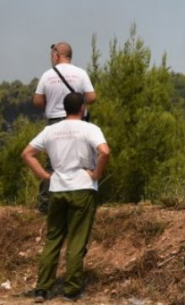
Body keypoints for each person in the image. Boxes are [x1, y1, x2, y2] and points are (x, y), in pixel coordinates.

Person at [22, 92, 110, 302]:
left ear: (64, 108)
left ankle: (42, 289)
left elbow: (27, 154)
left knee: (53, 239)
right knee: (76, 241)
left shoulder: (50, 130)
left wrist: (45, 176)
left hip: (57, 188)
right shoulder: (90, 129)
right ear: (82, 108)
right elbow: (104, 152)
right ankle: (71, 290)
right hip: (82, 187)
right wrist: (96, 174)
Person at [32, 42, 97, 213]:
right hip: (78, 120)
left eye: (52, 55)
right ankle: (83, 203)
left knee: (52, 164)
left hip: (55, 122)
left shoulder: (47, 75)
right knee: (82, 161)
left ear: (57, 54)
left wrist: (52, 99)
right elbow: (91, 97)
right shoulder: (81, 73)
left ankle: (46, 205)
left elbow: (37, 101)